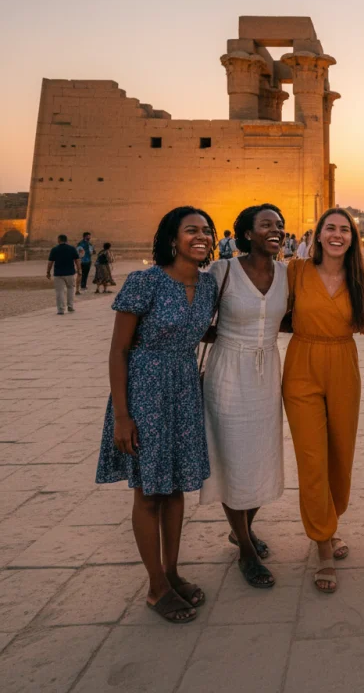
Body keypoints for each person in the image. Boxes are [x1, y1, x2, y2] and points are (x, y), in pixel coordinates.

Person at [95, 206, 218, 624]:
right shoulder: (144, 282)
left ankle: (171, 572)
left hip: (184, 389)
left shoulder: (207, 286)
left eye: (206, 231)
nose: (200, 237)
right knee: (149, 491)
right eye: (191, 231)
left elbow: (205, 330)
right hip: (145, 391)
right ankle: (155, 587)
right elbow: (119, 349)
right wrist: (122, 416)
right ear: (172, 238)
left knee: (176, 487)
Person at [282, 208, 364, 593]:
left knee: (339, 455)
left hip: (343, 363)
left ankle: (330, 522)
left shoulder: (361, 278)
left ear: (353, 238)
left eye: (344, 230)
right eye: (330, 228)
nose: (337, 235)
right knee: (312, 458)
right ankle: (322, 547)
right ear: (317, 235)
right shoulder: (295, 271)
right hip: (302, 363)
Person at [201, 204, 289, 589]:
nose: (276, 230)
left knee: (260, 456)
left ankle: (243, 530)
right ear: (247, 233)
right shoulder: (222, 272)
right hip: (227, 374)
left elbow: (287, 318)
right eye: (266, 224)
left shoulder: (287, 274)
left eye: (280, 225)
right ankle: (246, 552)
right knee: (233, 456)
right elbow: (196, 320)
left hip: (267, 371)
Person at [46, 234, 80, 314]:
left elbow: (50, 262)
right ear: (66, 240)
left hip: (58, 273)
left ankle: (61, 309)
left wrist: (48, 272)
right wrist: (79, 270)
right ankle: (70, 306)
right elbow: (77, 260)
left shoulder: (54, 249)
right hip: (70, 273)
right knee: (71, 289)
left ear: (59, 240)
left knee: (59, 291)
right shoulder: (72, 249)